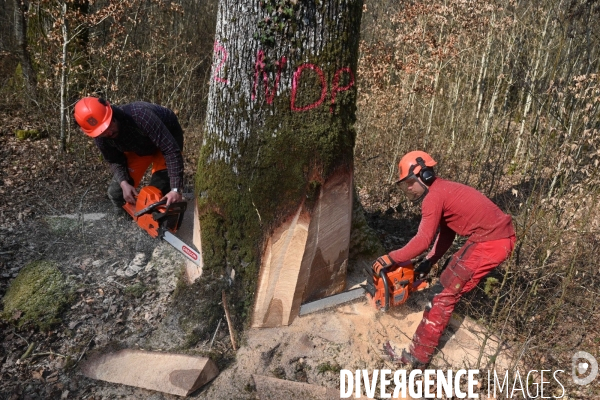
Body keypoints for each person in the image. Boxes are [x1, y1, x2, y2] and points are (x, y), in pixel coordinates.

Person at [372, 150, 516, 367]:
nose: (408, 188)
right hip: (488, 239)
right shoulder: (443, 190)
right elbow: (447, 233)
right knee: (446, 281)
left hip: (490, 242)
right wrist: (429, 262)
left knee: (443, 293)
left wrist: (390, 258)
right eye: (405, 185)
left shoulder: (434, 197)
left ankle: (417, 357)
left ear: (425, 175)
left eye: (410, 182)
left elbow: (422, 240)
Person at [73, 97, 184, 207]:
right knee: (118, 193)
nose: (109, 133)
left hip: (167, 142)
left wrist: (176, 188)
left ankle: (166, 223)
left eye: (108, 125)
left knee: (157, 197)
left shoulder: (139, 115)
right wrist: (124, 183)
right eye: (102, 131)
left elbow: (170, 150)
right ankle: (125, 222)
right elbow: (115, 160)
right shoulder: (101, 138)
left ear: (111, 113)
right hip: (139, 149)